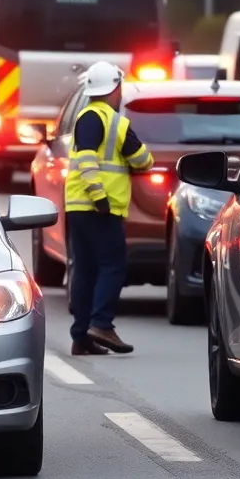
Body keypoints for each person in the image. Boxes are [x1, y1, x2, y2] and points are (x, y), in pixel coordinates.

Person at [63, 61, 154, 356]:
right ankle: (101, 325)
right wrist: (99, 195)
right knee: (113, 267)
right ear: (115, 88)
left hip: (78, 206)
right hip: (100, 207)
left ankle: (81, 337)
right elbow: (142, 160)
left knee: (85, 270)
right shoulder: (111, 121)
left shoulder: (86, 117)